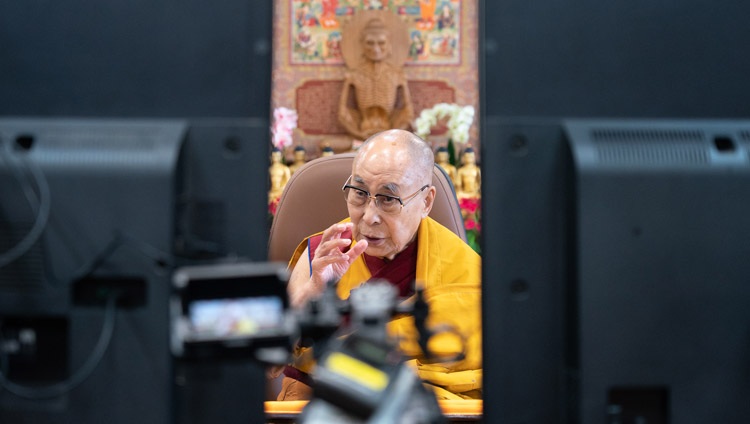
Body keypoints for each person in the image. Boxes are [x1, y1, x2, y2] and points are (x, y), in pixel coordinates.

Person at [276, 129, 481, 401]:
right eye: (359, 193)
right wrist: (310, 294)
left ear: (426, 202)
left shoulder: (465, 270)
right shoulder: (323, 255)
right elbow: (270, 363)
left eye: (388, 199)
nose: (369, 217)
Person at [338, 17, 414, 141]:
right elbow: (342, 114)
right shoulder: (354, 75)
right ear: (362, 44)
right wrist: (358, 134)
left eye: (381, 43)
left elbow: (408, 113)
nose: (375, 49)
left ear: (389, 44)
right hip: (360, 133)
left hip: (390, 135)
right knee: (327, 144)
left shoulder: (397, 74)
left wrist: (392, 134)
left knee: (414, 145)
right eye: (370, 43)